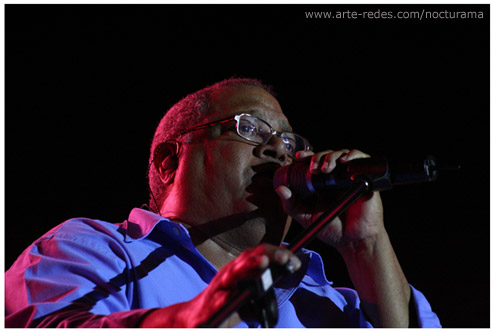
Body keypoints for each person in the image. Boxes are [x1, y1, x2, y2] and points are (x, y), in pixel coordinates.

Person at [5, 78, 441, 328]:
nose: (280, 151)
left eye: (289, 141)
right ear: (168, 161)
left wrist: (365, 244)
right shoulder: (92, 249)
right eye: (250, 128)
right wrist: (207, 312)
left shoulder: (327, 302)